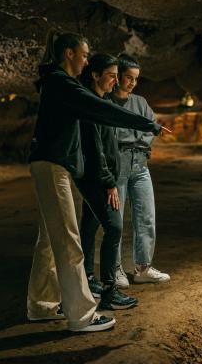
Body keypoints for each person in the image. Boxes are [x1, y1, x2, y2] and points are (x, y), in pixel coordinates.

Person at [27, 31, 164, 333]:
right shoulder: (62, 84)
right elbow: (104, 110)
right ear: (68, 54)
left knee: (49, 241)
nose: (87, 60)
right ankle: (82, 315)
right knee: (68, 240)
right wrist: (146, 123)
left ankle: (42, 305)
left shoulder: (60, 84)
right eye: (84, 55)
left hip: (52, 164)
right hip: (53, 166)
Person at [75, 54, 138, 311]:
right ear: (95, 75)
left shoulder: (101, 101)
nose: (116, 80)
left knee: (89, 227)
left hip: (97, 178)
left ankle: (89, 280)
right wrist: (109, 182)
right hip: (97, 180)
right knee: (114, 228)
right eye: (112, 75)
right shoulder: (92, 105)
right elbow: (94, 148)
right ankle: (110, 290)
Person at [111, 53, 170, 288]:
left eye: (136, 78)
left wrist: (141, 146)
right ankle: (114, 268)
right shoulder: (107, 102)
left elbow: (151, 129)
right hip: (118, 164)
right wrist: (131, 140)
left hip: (140, 165)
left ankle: (143, 268)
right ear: (117, 77)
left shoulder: (141, 102)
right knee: (115, 220)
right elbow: (110, 135)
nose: (132, 83)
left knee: (146, 216)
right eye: (128, 77)